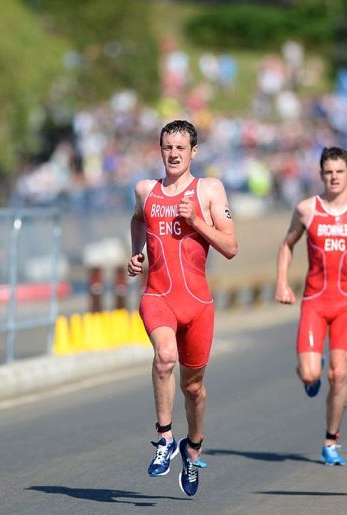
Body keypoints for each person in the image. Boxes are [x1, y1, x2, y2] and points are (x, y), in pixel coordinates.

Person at [127, 120, 237, 497]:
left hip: (198, 304)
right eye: (167, 147)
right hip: (157, 296)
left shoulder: (209, 190)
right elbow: (138, 220)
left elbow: (230, 246)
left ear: (194, 152)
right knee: (164, 357)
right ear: (160, 150)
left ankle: (193, 446)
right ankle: (164, 439)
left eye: (180, 148)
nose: (173, 154)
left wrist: (195, 221)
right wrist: (137, 252)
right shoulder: (146, 190)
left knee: (194, 389)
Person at [274, 146, 347, 466]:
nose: (334, 177)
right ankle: (311, 373)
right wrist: (282, 282)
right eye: (328, 172)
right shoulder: (307, 209)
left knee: (338, 375)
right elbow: (287, 244)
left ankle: (331, 440)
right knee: (311, 373)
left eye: (340, 171)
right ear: (321, 175)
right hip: (314, 301)